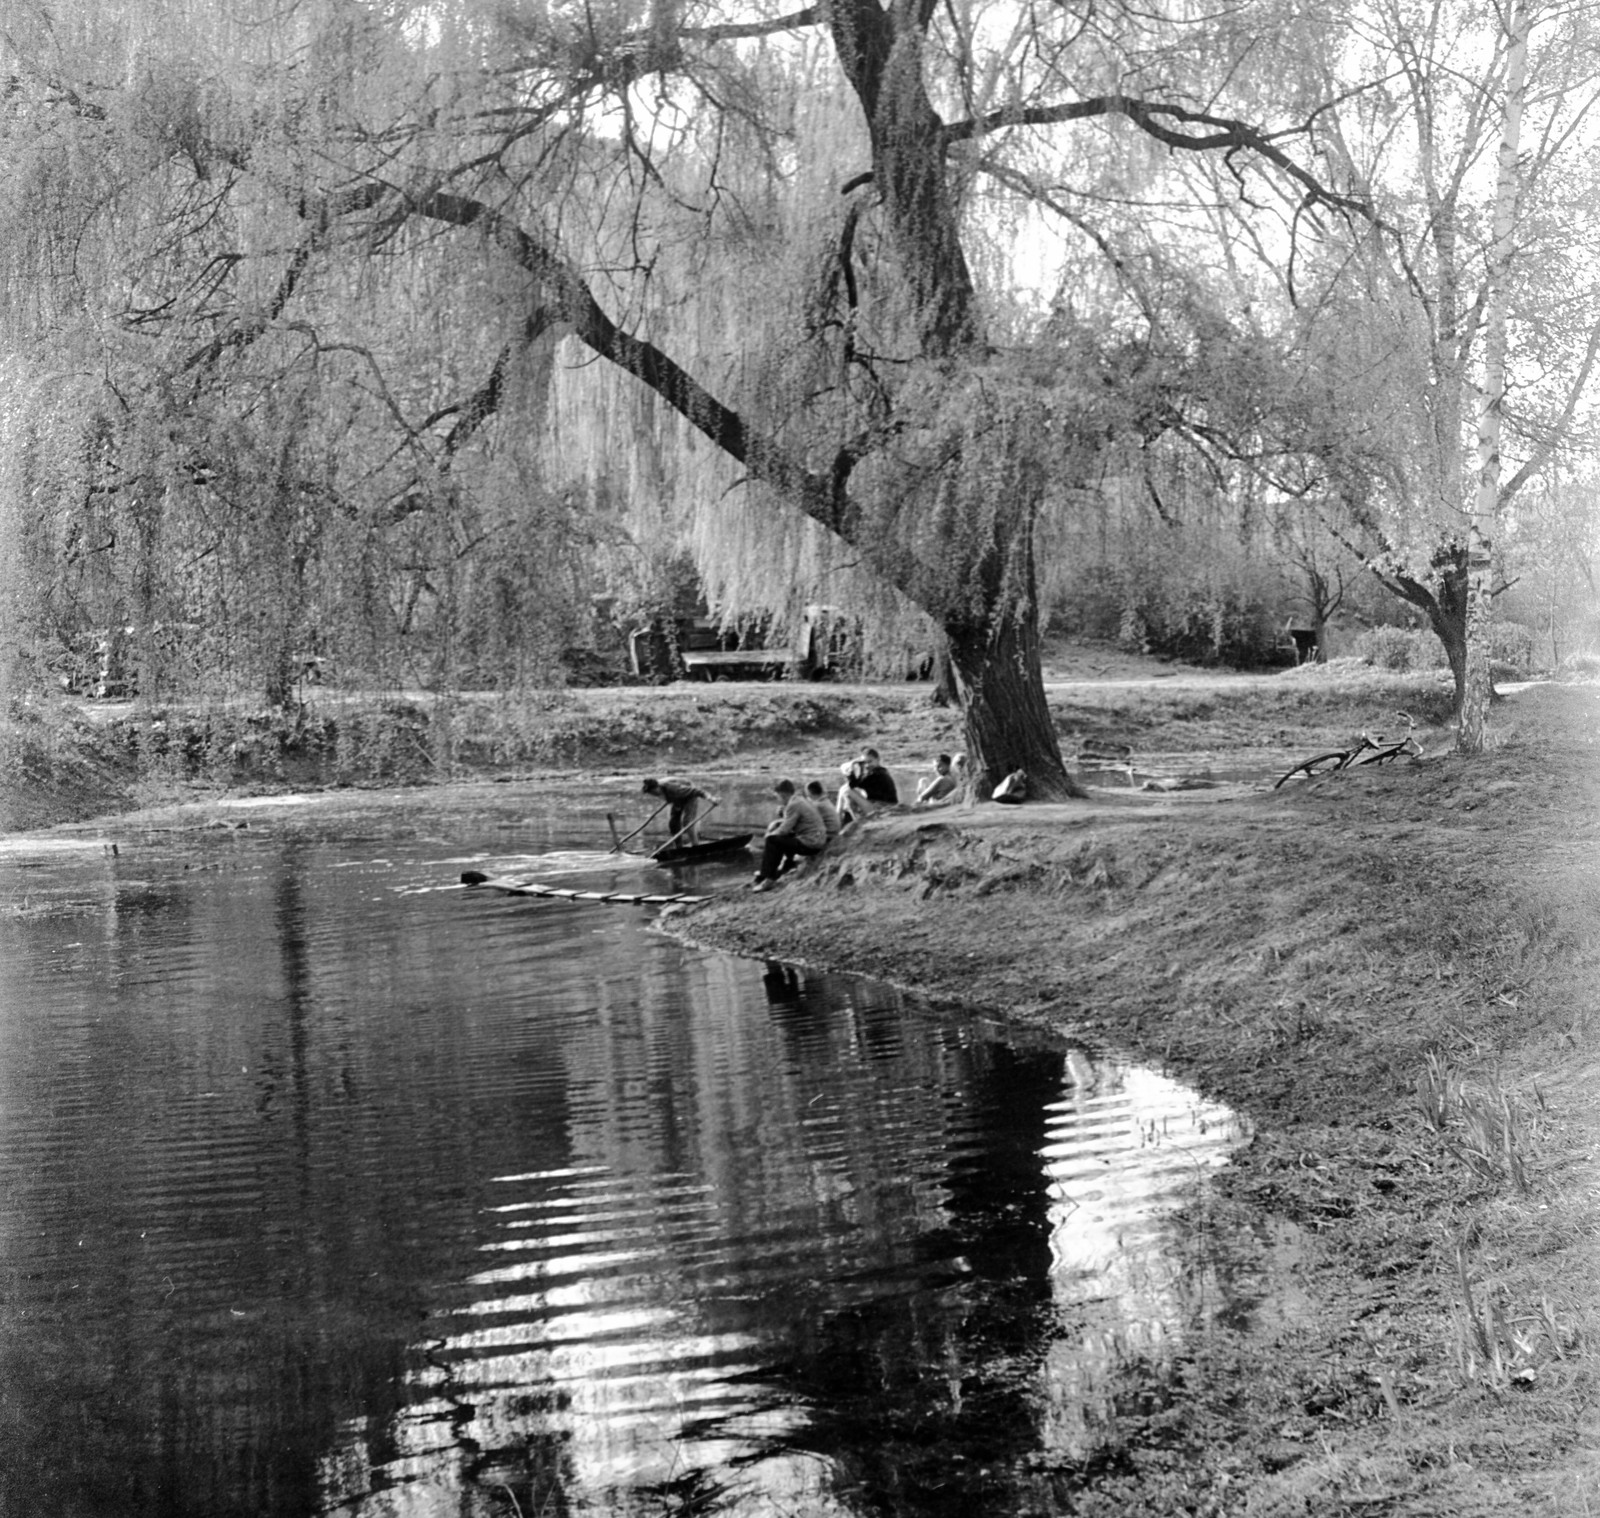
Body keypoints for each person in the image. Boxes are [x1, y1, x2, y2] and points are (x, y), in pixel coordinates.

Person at [753, 779, 827, 890]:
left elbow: (784, 830)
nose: (777, 799)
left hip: (810, 844)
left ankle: (768, 878)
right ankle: (785, 866)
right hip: (817, 839)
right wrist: (783, 814)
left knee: (772, 840)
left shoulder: (793, 805)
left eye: (777, 796)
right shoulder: (799, 800)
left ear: (782, 794)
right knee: (780, 839)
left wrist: (769, 835)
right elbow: (793, 824)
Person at [641, 776, 718, 845]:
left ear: (658, 787)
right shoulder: (661, 789)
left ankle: (695, 845)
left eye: (653, 792)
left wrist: (711, 798)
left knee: (687, 822)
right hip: (676, 798)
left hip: (689, 795)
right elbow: (669, 796)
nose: (653, 794)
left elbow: (697, 791)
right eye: (650, 793)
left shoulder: (674, 789)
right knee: (673, 824)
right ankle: (679, 847)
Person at [836, 746, 898, 826]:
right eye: (865, 763)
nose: (867, 765)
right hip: (880, 806)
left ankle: (840, 820)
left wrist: (853, 764)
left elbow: (851, 784)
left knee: (846, 790)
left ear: (878, 759)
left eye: (870, 761)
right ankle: (840, 818)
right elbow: (855, 783)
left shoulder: (877, 774)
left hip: (884, 809)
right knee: (845, 790)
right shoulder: (881, 771)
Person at [804, 779, 843, 844]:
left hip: (828, 837)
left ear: (810, 793)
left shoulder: (818, 805)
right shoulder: (825, 801)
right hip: (833, 834)